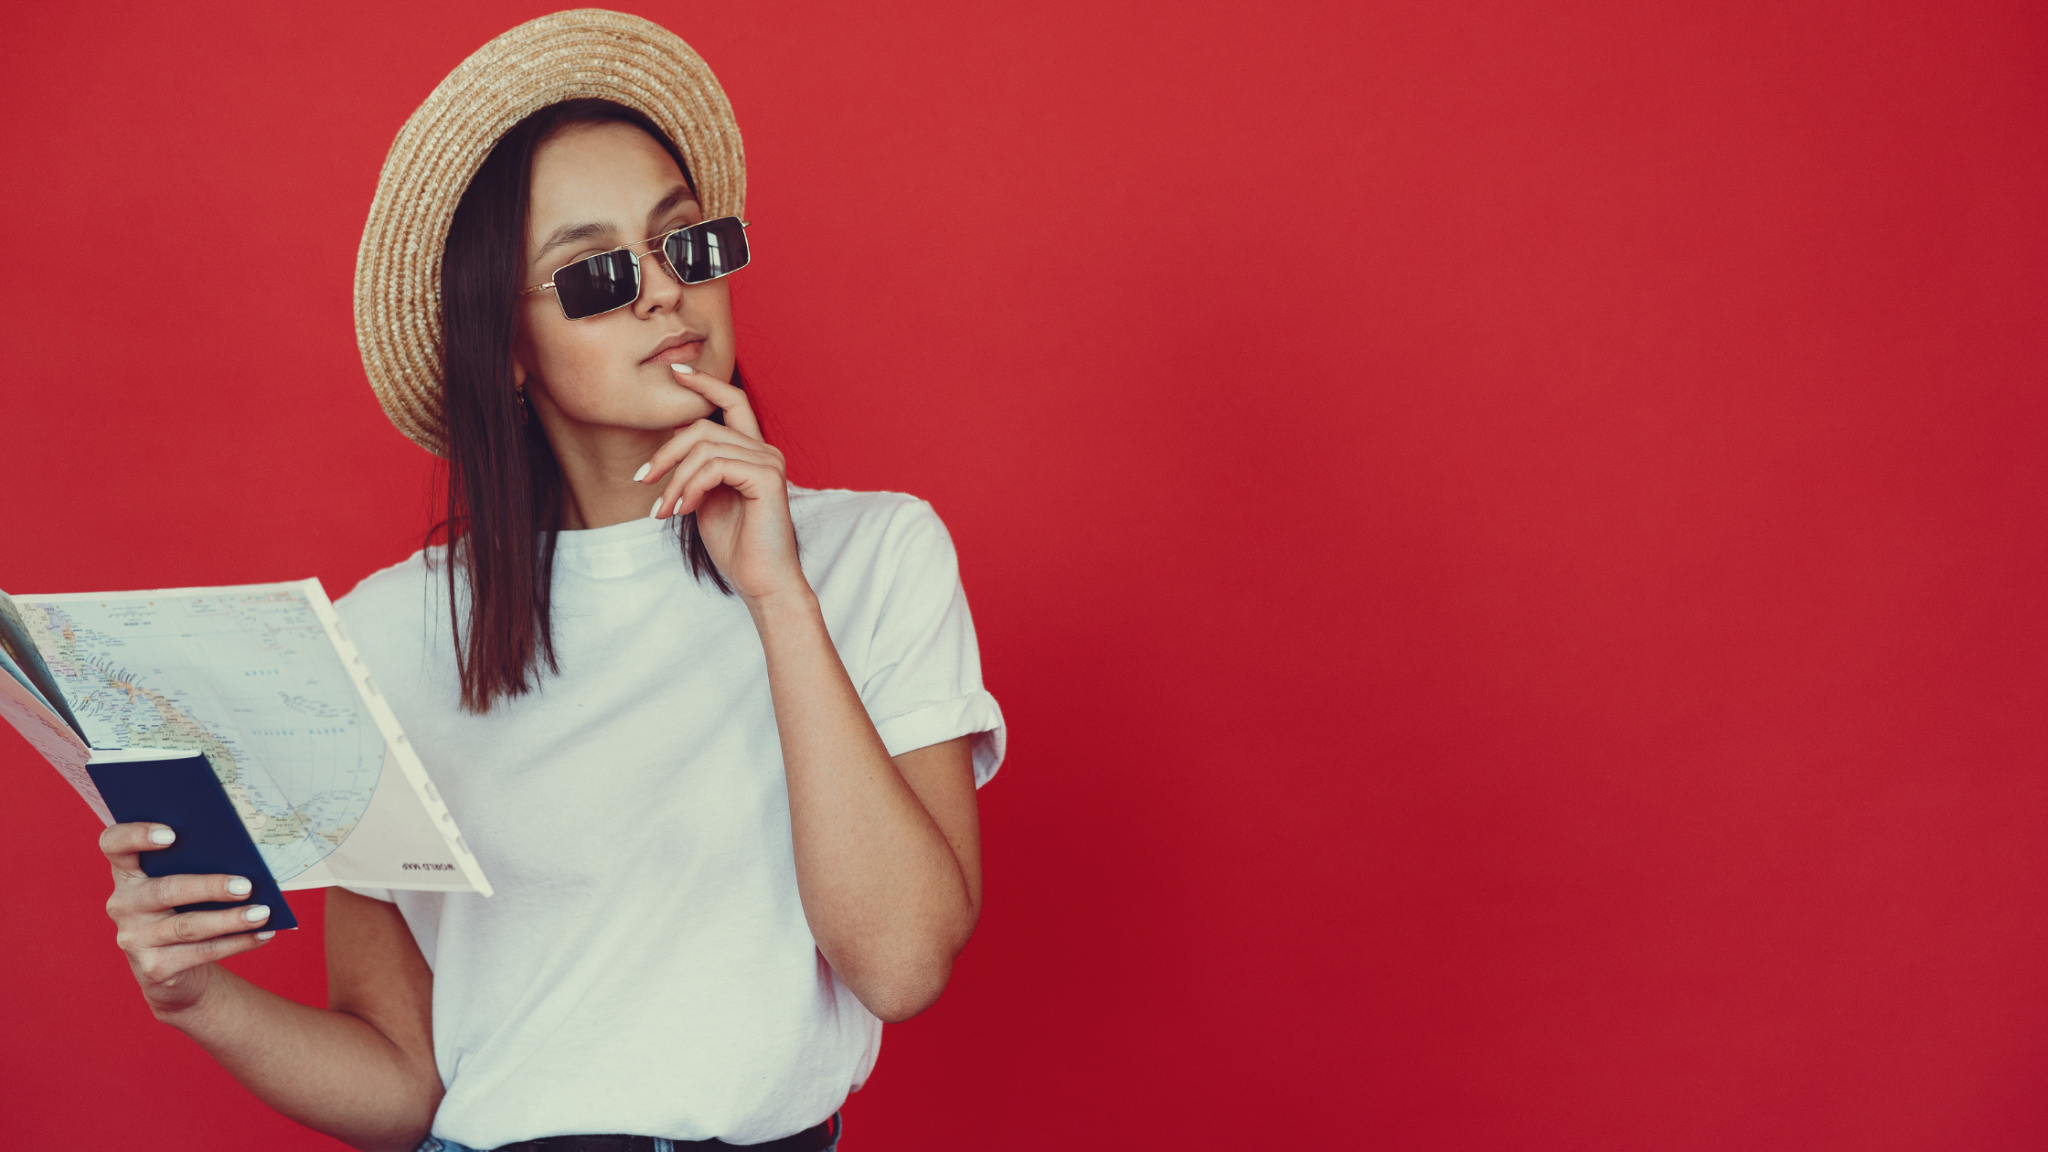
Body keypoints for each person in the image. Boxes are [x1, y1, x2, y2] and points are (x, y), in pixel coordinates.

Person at [92, 12, 1004, 1152]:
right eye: (592, 274)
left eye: (685, 243)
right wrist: (200, 1000)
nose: (663, 292)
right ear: (508, 351)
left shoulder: (876, 555)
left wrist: (779, 599)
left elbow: (903, 964)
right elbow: (401, 1083)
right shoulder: (393, 633)